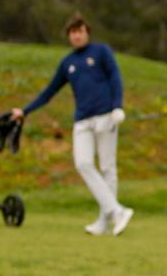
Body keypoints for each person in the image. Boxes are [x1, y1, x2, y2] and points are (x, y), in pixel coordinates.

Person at [13, 15, 133, 236]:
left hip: (107, 116)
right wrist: (25, 111)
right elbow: (49, 92)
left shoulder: (101, 52)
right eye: (73, 32)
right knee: (83, 163)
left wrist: (118, 106)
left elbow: (115, 77)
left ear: (87, 32)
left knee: (107, 167)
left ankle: (105, 221)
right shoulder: (67, 63)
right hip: (83, 120)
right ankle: (116, 212)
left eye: (80, 31)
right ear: (69, 36)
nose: (77, 35)